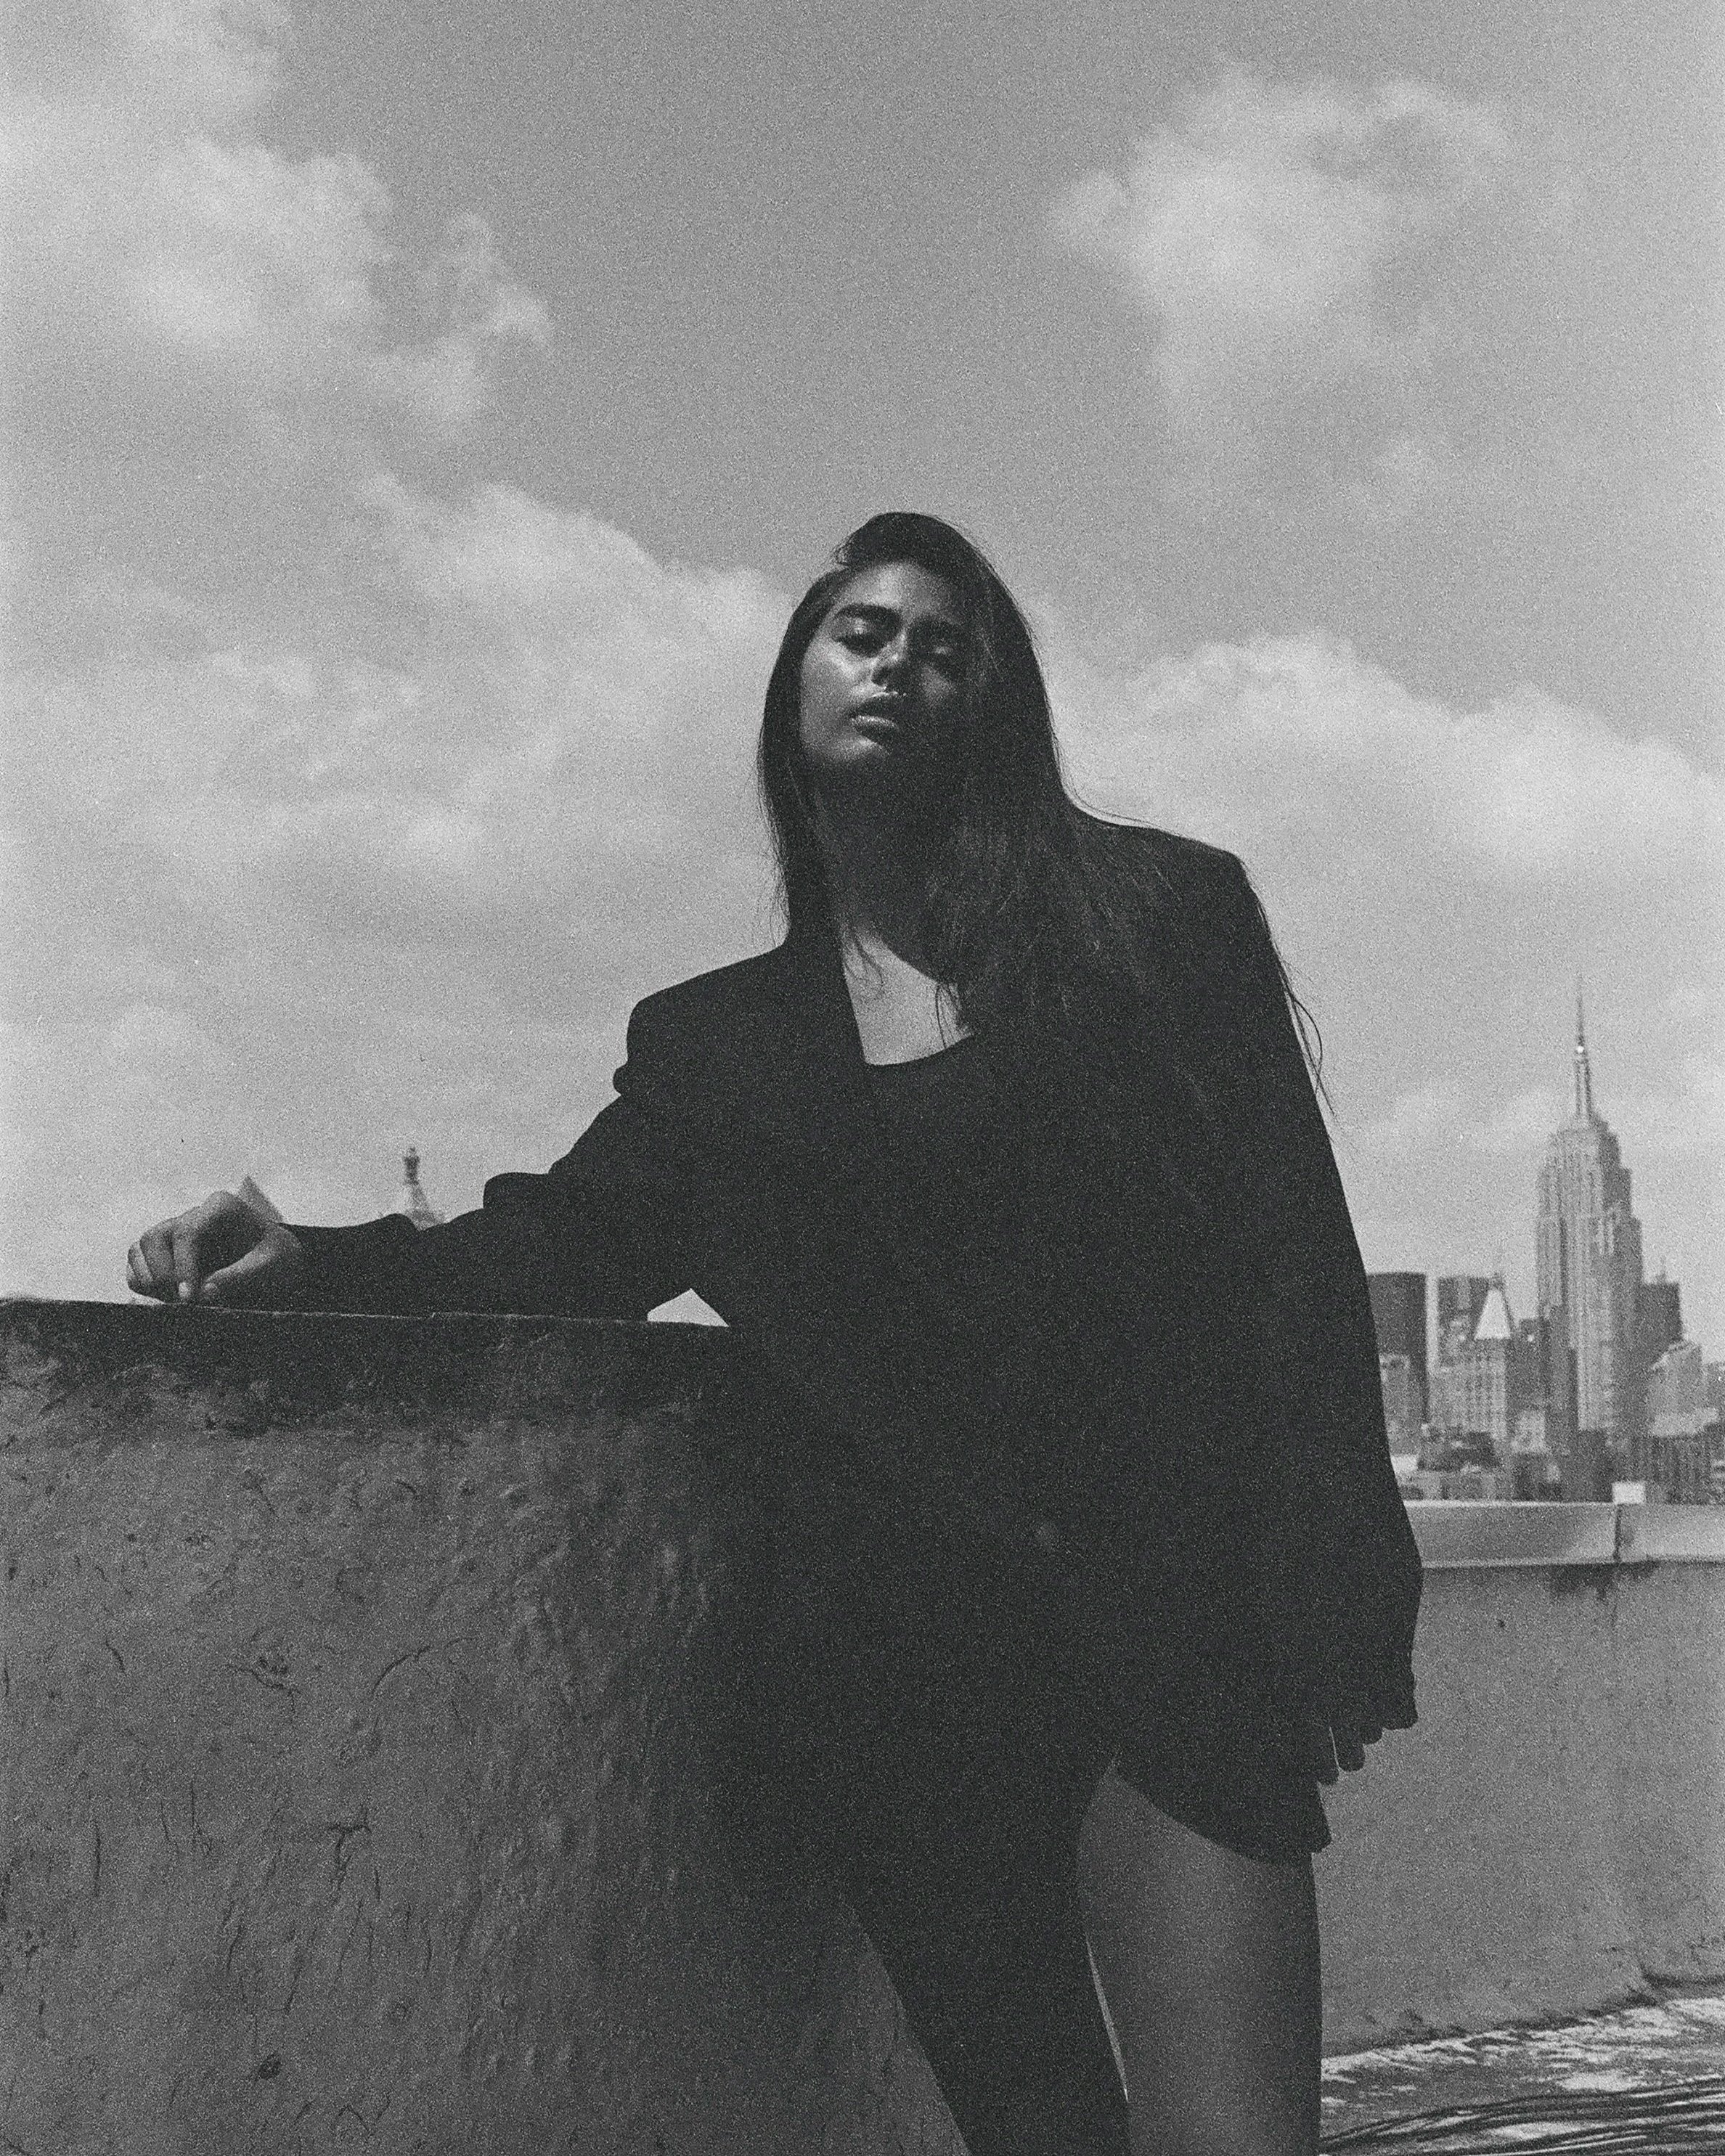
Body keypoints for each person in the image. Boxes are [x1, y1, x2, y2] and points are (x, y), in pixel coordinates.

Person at [129, 512, 1422, 2156]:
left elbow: (1290, 1257)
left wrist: (1336, 1579)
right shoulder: (718, 1049)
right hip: (901, 1678)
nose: (900, 665)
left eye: (946, 649)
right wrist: (308, 1262)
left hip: (1172, 1627)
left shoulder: (1158, 921)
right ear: (791, 687)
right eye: (862, 634)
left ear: (997, 708)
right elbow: (558, 1244)